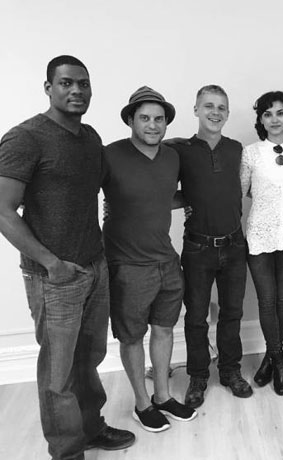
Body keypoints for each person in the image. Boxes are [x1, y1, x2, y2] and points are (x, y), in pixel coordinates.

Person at [0, 55, 135, 459]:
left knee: (89, 358)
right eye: (66, 83)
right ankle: (66, 450)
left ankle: (91, 428)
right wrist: (51, 263)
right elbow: (3, 210)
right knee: (57, 372)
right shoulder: (25, 138)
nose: (76, 90)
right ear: (48, 88)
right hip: (53, 277)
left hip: (94, 266)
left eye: (83, 83)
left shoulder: (90, 137)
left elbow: (107, 188)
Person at [103, 86, 196, 432]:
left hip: (167, 261)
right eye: (144, 118)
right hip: (127, 265)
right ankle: (142, 404)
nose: (153, 125)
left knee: (164, 330)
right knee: (131, 337)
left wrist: (198, 201)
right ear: (131, 120)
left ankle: (163, 396)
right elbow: (81, 193)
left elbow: (164, 196)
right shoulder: (110, 155)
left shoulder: (172, 157)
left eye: (159, 119)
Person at [167, 85, 252, 408]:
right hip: (198, 247)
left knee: (232, 312)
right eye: (208, 106)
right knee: (196, 317)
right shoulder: (181, 150)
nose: (215, 112)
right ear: (196, 110)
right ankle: (198, 376)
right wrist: (185, 201)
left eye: (221, 107)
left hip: (234, 244)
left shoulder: (236, 149)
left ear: (227, 113)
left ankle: (230, 370)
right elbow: (165, 188)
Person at [241, 91, 283, 396]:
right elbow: (243, 190)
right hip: (261, 236)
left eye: (280, 113)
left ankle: (270, 357)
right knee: (267, 301)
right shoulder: (251, 153)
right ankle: (279, 361)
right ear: (261, 120)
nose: (275, 119)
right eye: (268, 114)